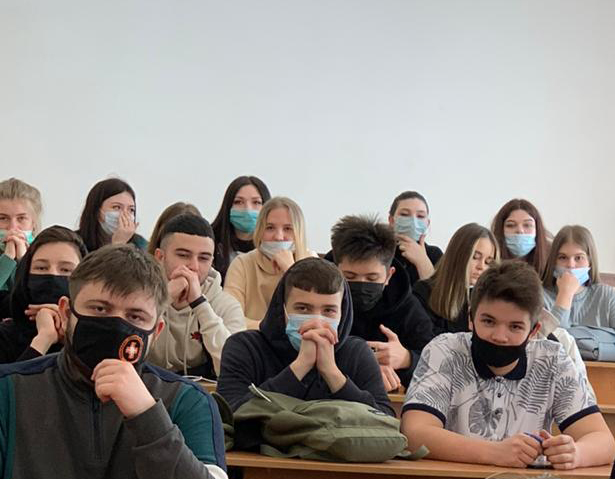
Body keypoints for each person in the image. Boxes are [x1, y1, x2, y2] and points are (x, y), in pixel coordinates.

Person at [0, 244, 227, 478]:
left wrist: (147, 416)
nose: (116, 325)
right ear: (67, 313)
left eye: (135, 316)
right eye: (100, 309)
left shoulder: (187, 400)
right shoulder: (9, 390)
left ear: (156, 331)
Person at [402, 260, 615, 469]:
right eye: (488, 321)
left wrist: (576, 453)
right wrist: (495, 452)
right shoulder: (443, 350)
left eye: (515, 327)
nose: (500, 336)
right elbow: (414, 433)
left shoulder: (553, 359)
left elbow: (604, 441)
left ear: (534, 331)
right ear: (470, 318)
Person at [217, 257, 393, 418]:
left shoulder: (356, 353)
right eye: (303, 309)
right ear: (282, 309)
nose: (316, 321)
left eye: (328, 311)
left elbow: (385, 420)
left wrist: (332, 373)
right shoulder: (245, 347)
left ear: (342, 312)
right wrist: (300, 367)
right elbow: (229, 415)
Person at [327, 214, 434, 391]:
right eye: (349, 277)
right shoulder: (317, 297)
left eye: (372, 278)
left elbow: (436, 367)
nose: (362, 284)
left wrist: (407, 359)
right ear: (334, 270)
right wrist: (364, 367)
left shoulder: (408, 309)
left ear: (389, 275)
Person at [148, 213, 245, 378]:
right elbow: (123, 350)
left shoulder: (226, 305)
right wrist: (164, 298)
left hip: (205, 390)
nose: (194, 266)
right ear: (160, 257)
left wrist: (200, 304)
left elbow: (236, 370)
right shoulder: (138, 296)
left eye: (203, 258)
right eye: (183, 255)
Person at [0, 226, 87, 363]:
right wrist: (43, 340)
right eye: (41, 268)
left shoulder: (94, 334)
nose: (52, 275)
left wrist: (71, 335)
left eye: (65, 270)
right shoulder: (5, 335)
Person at [224, 196, 312, 329]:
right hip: (252, 338)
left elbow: (311, 316)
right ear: (260, 230)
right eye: (270, 228)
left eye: (288, 229)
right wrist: (269, 329)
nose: (279, 237)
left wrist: (290, 270)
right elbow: (230, 317)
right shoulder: (242, 263)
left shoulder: (312, 262)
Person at [413, 223, 498, 335]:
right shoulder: (424, 292)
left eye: (488, 262)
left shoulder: (488, 299)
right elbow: (425, 339)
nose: (481, 266)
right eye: (475, 257)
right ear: (458, 255)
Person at [543, 225, 615, 329]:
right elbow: (551, 337)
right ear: (554, 261)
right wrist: (565, 294)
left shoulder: (607, 296)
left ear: (590, 262)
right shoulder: (540, 297)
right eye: (563, 257)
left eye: (578, 258)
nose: (571, 265)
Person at [211, 176, 271, 283]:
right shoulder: (211, 243)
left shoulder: (275, 246)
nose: (248, 209)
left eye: (256, 202)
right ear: (228, 206)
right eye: (238, 202)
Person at [0, 178, 43, 312]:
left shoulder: (45, 253)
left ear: (33, 223)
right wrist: (7, 258)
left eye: (21, 218)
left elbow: (35, 298)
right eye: (3, 218)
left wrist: (23, 261)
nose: (13, 227)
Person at [76, 177, 147, 253]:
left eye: (131, 210)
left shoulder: (141, 245)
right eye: (117, 207)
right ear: (97, 211)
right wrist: (118, 244)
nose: (125, 215)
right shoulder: (75, 243)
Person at [388, 191, 443, 286]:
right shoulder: (380, 252)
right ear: (391, 220)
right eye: (404, 214)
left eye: (420, 216)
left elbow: (441, 292)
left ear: (427, 223)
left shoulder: (435, 254)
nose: (413, 221)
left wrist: (422, 262)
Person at [491, 199, 550, 277]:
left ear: (537, 229)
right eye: (511, 225)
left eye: (527, 225)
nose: (520, 230)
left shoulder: (552, 259)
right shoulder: (488, 260)